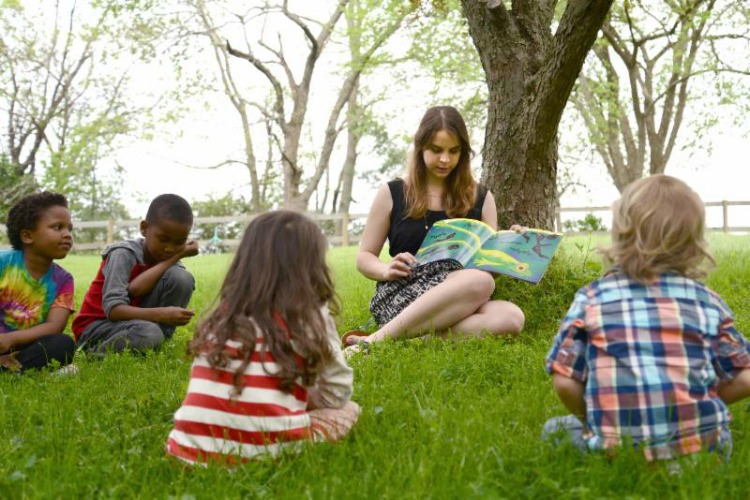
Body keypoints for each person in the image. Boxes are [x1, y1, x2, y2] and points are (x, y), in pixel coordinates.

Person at [544, 174, 750, 463]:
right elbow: (745, 377)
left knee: (555, 430)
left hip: (615, 452)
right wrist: (689, 402)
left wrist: (595, 420)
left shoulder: (592, 298)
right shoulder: (709, 303)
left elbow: (564, 382)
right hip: (703, 454)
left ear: (620, 234)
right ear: (694, 244)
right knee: (719, 430)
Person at [166, 210, 360, 465]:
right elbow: (337, 393)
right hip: (268, 452)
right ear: (312, 266)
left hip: (188, 451)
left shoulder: (221, 317)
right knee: (349, 410)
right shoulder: (310, 317)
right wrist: (307, 397)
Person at [343, 105, 525, 352]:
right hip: (405, 291)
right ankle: (375, 342)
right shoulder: (393, 192)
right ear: (420, 148)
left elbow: (488, 269)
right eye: (436, 150)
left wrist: (511, 247)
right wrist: (386, 270)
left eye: (454, 151)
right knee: (480, 281)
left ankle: (400, 343)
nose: (445, 159)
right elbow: (364, 257)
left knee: (511, 317)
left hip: (460, 297)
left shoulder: (481, 197)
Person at [72, 193, 198, 356]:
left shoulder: (166, 258)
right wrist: (162, 314)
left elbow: (136, 289)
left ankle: (156, 344)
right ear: (144, 228)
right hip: (97, 326)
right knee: (149, 332)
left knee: (182, 278)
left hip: (136, 325)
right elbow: (114, 310)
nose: (170, 249)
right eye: (163, 239)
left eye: (179, 243)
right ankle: (92, 357)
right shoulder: (123, 254)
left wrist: (174, 259)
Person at [1, 191, 77, 373]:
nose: (67, 234)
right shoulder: (4, 264)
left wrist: (11, 341)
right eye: (58, 227)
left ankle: (14, 368)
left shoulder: (64, 280)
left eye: (69, 229)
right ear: (27, 236)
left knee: (63, 344)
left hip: (22, 346)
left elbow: (54, 326)